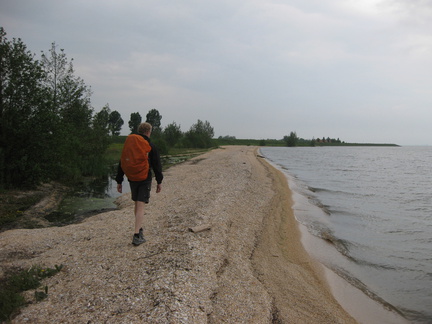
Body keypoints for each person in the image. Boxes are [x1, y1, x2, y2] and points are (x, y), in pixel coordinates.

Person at [115, 122, 163, 246]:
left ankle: (139, 227)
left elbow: (122, 161)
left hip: (132, 177)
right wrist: (159, 181)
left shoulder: (131, 144)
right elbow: (157, 165)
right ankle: (137, 235)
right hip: (144, 177)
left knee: (137, 202)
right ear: (149, 131)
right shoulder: (150, 145)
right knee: (141, 205)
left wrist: (119, 180)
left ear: (139, 131)